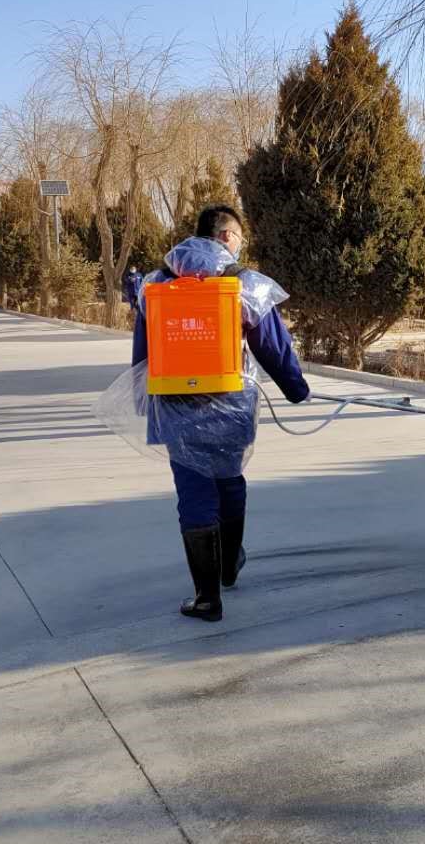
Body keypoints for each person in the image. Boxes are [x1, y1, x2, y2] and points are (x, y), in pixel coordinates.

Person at [131, 204, 310, 622]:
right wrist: (296, 390)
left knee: (194, 492)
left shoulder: (155, 283)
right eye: (240, 238)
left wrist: (143, 400)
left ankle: (207, 598)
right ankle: (228, 566)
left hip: (175, 406)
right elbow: (273, 345)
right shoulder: (244, 283)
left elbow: (144, 350)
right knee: (229, 482)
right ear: (228, 237)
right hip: (231, 406)